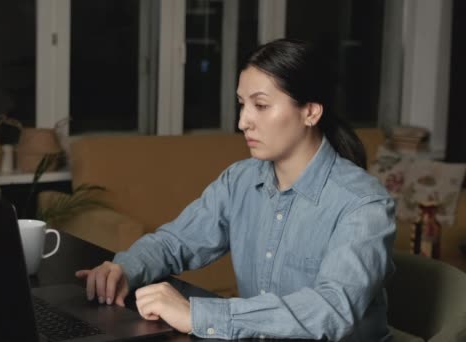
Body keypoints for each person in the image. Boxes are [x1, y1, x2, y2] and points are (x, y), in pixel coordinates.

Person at [75, 38, 396, 341]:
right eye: (242, 104)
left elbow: (333, 308)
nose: (243, 121)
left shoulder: (363, 203)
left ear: (311, 111)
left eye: (260, 105)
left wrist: (198, 314)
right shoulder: (240, 180)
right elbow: (176, 242)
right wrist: (125, 269)